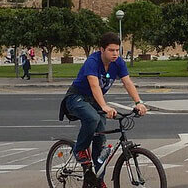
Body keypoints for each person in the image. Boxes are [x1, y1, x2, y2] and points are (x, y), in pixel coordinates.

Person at [61, 32, 148, 179]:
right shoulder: (92, 61)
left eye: (117, 50)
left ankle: (97, 181)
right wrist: (104, 106)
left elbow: (127, 82)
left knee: (100, 143)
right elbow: (94, 86)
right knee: (93, 118)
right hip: (76, 98)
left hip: (95, 101)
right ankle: (80, 149)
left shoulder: (118, 62)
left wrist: (138, 102)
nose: (115, 54)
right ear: (102, 50)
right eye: (111, 50)